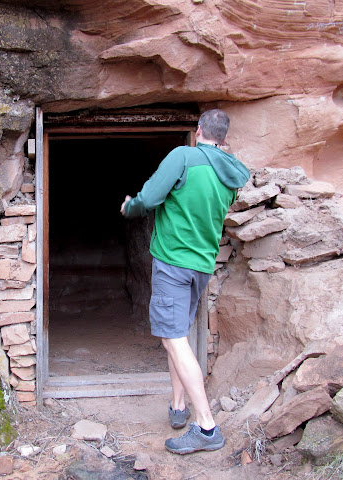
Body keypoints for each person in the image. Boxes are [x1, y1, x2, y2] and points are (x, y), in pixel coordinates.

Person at [120, 109, 250, 454]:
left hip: (174, 263)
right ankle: (178, 406)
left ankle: (206, 427)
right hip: (201, 265)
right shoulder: (230, 172)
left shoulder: (183, 155)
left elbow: (149, 199)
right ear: (223, 137)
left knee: (174, 339)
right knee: (176, 336)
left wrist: (129, 207)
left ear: (198, 131)